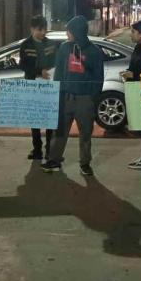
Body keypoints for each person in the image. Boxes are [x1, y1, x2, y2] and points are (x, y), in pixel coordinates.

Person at [42, 15, 104, 176]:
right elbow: (59, 73)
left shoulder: (95, 52)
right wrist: (57, 93)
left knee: (85, 134)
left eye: (69, 31)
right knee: (59, 131)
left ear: (77, 32)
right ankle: (54, 160)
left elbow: (99, 77)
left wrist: (93, 98)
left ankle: (85, 163)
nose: (67, 34)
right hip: (66, 96)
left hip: (85, 99)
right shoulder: (64, 48)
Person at [19, 15, 58, 160]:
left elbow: (56, 61)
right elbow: (23, 65)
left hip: (49, 86)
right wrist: (38, 71)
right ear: (32, 29)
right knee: (34, 119)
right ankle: (37, 149)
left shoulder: (51, 44)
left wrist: (51, 72)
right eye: (39, 29)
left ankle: (49, 149)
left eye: (44, 29)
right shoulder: (25, 45)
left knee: (49, 119)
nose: (42, 32)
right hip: (32, 85)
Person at [120, 21, 141, 170]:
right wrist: (128, 72)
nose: (131, 34)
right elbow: (135, 67)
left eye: (133, 32)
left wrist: (134, 74)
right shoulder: (139, 47)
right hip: (135, 89)